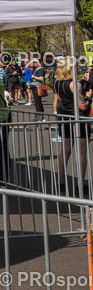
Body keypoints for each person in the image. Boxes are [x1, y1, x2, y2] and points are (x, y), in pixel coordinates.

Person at [52, 57, 91, 196]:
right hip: (78, 119)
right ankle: (80, 183)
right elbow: (82, 105)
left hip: (65, 118)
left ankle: (60, 181)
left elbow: (61, 99)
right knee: (81, 152)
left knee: (65, 151)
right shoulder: (75, 84)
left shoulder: (57, 82)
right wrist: (90, 95)